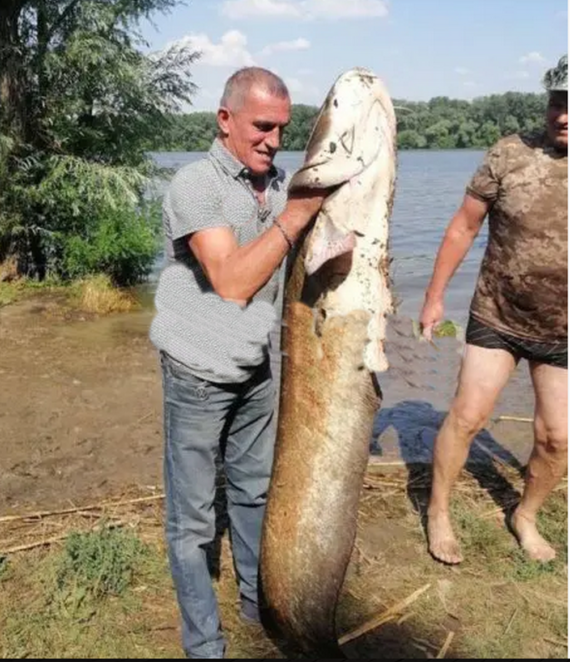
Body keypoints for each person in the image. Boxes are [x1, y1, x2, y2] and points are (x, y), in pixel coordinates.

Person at [148, 67, 327, 658]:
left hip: (257, 370)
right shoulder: (195, 185)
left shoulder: (278, 185)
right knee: (194, 521)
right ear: (225, 121)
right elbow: (231, 281)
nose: (274, 140)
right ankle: (204, 645)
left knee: (253, 494)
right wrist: (297, 216)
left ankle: (259, 606)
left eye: (283, 128)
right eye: (261, 126)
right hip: (197, 373)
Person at [420, 55, 568, 565]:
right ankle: (438, 510)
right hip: (498, 315)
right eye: (557, 101)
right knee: (467, 417)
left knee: (557, 438)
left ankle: (525, 515)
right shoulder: (509, 154)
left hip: (564, 330)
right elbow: (464, 226)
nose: (563, 114)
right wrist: (435, 295)